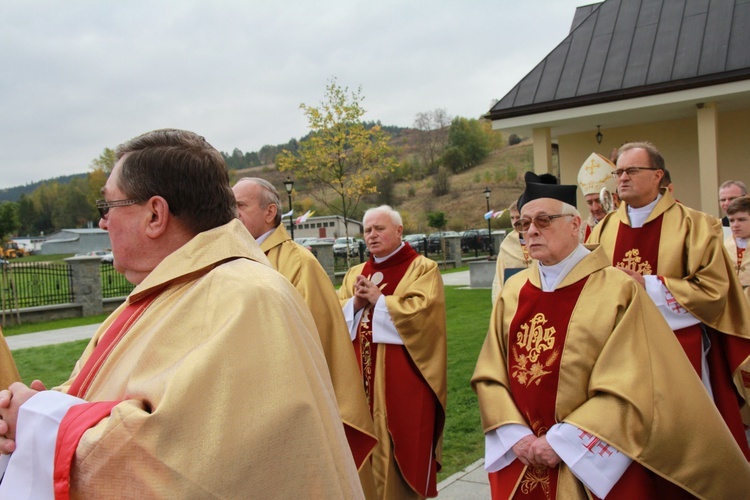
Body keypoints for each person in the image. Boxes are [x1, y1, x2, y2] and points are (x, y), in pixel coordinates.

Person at [0, 129, 363, 499]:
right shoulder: (165, 291)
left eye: (108, 207)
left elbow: (188, 469)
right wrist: (39, 407)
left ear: (155, 214)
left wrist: (44, 422)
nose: (102, 223)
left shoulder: (248, 298)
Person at [472, 173, 750, 498]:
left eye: (544, 220)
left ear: (576, 224)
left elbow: (634, 382)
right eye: (525, 224)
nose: (531, 230)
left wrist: (560, 442)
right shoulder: (514, 290)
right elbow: (491, 371)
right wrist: (514, 433)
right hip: (521, 453)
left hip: (587, 456)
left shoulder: (618, 290)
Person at [588, 141, 750, 458]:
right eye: (619, 171)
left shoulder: (696, 225)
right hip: (619, 352)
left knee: (687, 440)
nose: (622, 178)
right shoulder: (603, 230)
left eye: (632, 170)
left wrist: (647, 285)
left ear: (657, 175)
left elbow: (714, 291)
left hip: (679, 349)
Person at [232, 177, 378, 494]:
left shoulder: (297, 262)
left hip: (286, 404)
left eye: (240, 205)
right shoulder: (231, 260)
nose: (232, 213)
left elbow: (318, 337)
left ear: (270, 211)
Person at [338, 205, 446, 499]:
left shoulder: (423, 268)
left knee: (402, 453)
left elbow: (424, 318)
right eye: (368, 230)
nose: (372, 235)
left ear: (399, 231)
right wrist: (356, 306)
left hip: (405, 385)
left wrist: (381, 301)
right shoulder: (355, 273)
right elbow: (334, 319)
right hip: (360, 385)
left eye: (379, 228)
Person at [491, 201, 531, 304]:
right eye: (512, 218)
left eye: (518, 217)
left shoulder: (539, 238)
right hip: (514, 297)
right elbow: (499, 277)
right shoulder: (507, 244)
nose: (514, 222)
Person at [576, 152, 617, 240]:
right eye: (590, 202)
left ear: (613, 198)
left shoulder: (625, 223)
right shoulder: (581, 231)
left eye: (599, 200)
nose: (595, 208)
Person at [725, 196, 750, 304]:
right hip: (731, 304)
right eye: (731, 220)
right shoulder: (723, 246)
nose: (735, 225)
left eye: (741, 219)